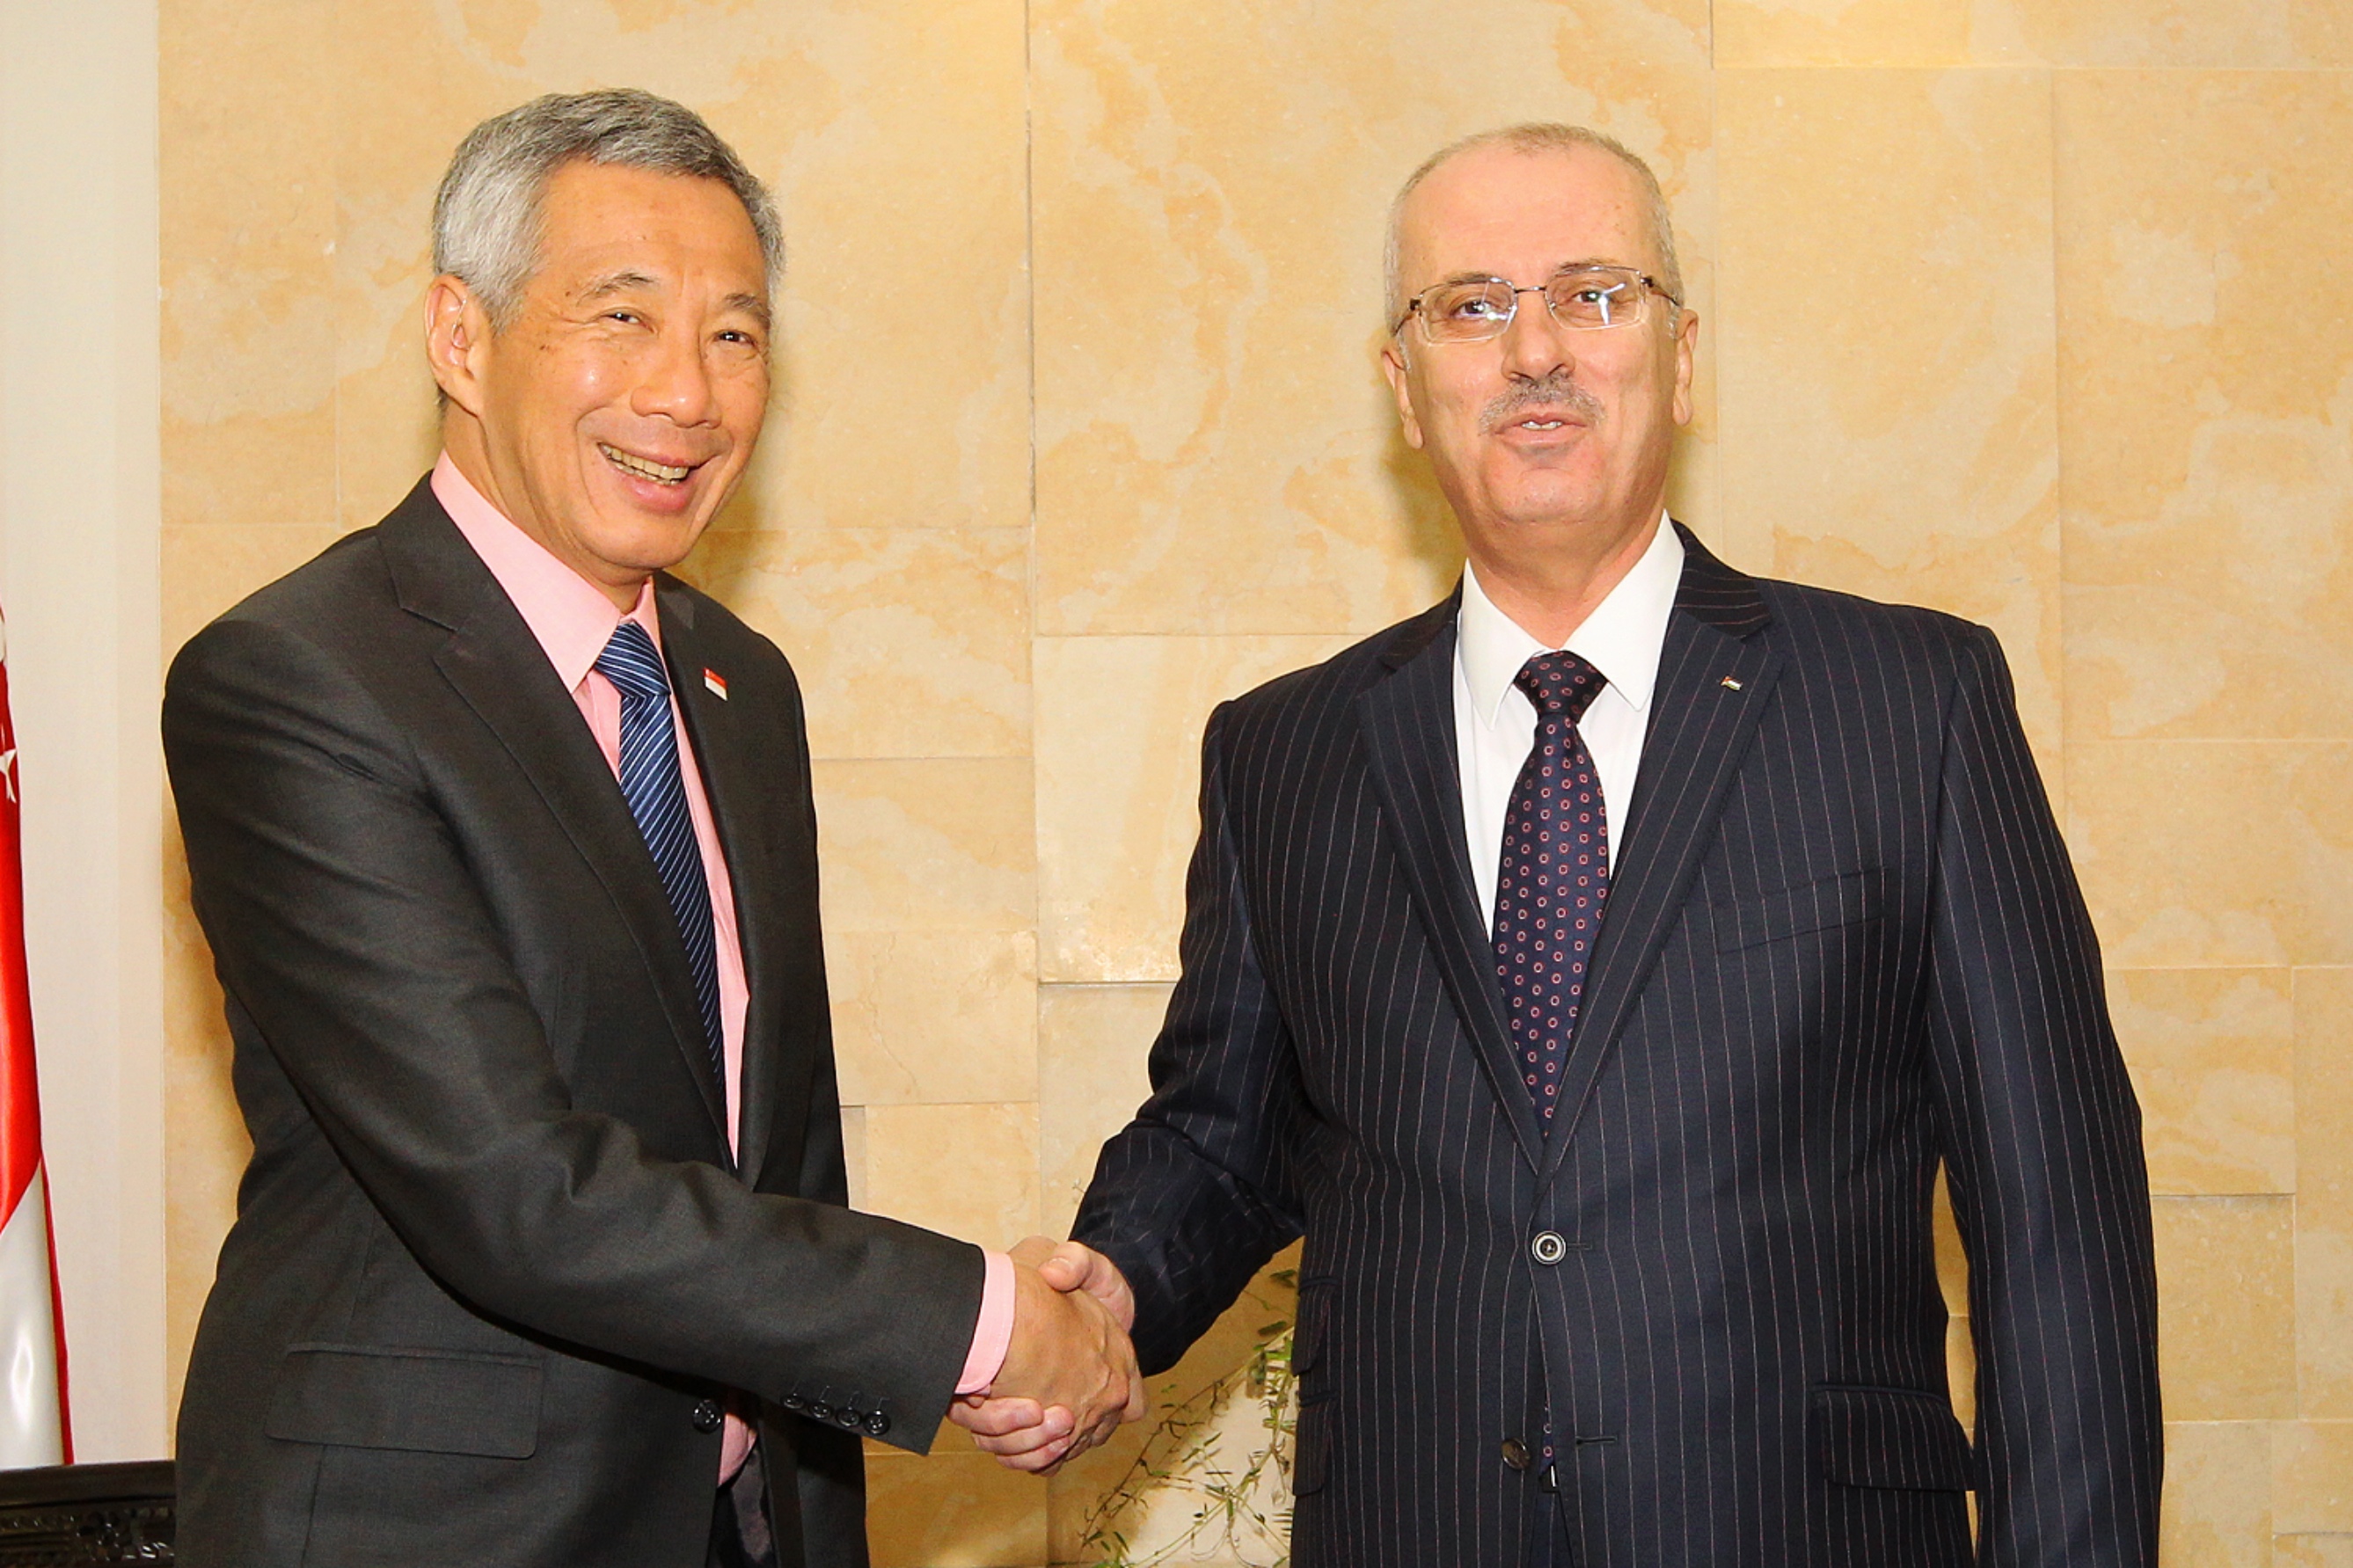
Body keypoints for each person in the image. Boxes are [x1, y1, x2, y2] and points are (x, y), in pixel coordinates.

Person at [956, 125, 2162, 1566]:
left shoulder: (1911, 705)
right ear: (1405, 386)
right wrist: (1110, 1293)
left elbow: (2061, 1234)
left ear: (1682, 357)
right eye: (1471, 305)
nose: (1535, 350)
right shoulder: (1283, 752)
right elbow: (1228, 1136)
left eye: (1591, 293)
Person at [164, 89, 1138, 1568]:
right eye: (619, 318)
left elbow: (773, 1160)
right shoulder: (300, 680)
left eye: (735, 334)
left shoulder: (741, 686)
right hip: (432, 1531)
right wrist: (981, 1323)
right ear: (460, 337)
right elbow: (515, 1190)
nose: (687, 392)